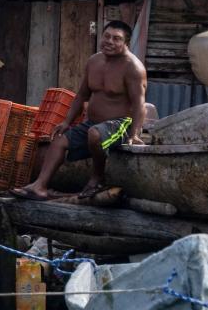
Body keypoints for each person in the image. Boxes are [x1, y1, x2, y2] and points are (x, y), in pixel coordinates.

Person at [13, 20, 147, 201]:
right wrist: (67, 121)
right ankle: (40, 186)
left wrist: (135, 134)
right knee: (60, 139)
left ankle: (98, 178)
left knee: (94, 133)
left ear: (126, 43)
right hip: (93, 124)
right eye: (107, 36)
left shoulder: (133, 68)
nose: (109, 41)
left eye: (116, 39)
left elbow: (139, 103)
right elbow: (82, 94)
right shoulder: (94, 61)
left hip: (121, 124)